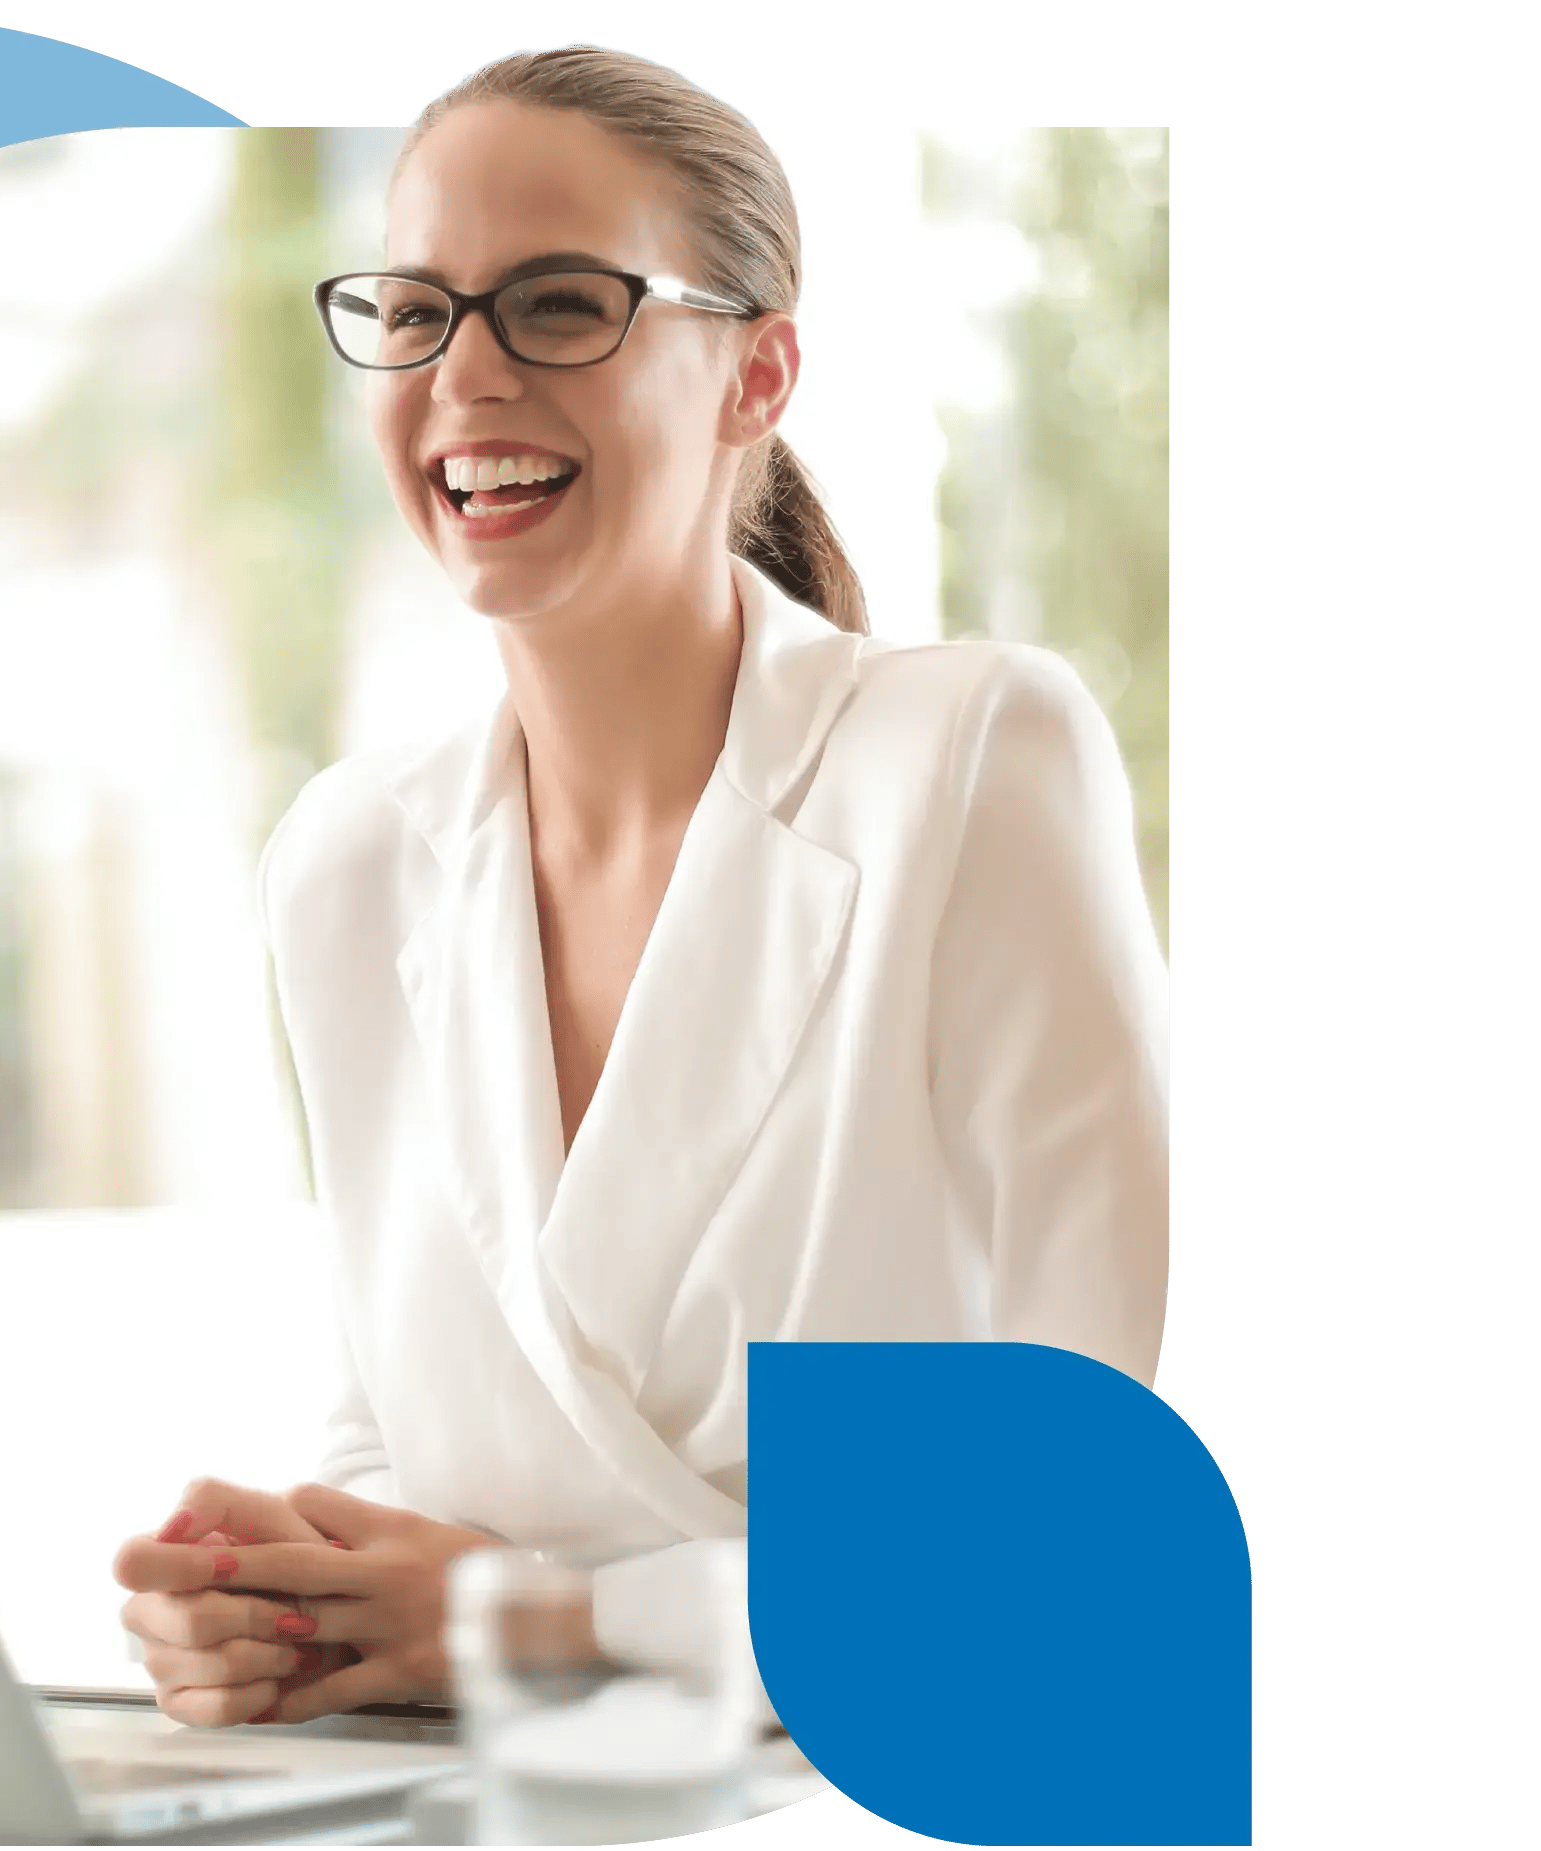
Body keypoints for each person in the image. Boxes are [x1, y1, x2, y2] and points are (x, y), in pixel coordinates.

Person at [113, 43, 1168, 1730]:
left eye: (557, 305)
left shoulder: (967, 762)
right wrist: (278, 1607)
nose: (463, 376)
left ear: (759, 374)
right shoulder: (349, 863)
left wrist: (543, 1620)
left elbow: (1066, 1539)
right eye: (415, 310)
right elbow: (395, 1439)